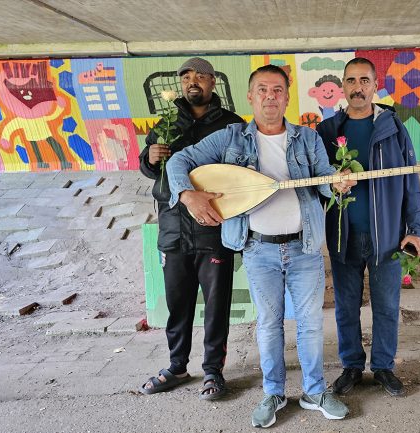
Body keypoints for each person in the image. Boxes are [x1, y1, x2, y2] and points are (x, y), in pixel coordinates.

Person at [165, 64, 354, 428]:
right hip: (258, 251)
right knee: (268, 325)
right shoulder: (230, 138)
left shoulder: (307, 138)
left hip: (305, 248)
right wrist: (188, 195)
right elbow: (179, 160)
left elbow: (323, 181)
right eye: (263, 90)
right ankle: (273, 393)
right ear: (251, 96)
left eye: (278, 90)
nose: (270, 96)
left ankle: (314, 392)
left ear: (286, 97)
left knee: (311, 325)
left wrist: (338, 183)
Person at [316, 57, 420, 397]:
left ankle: (383, 367)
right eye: (351, 80)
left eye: (364, 80)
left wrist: (414, 229)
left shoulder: (393, 128)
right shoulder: (328, 131)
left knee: (387, 306)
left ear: (375, 86)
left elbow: (410, 180)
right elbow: (316, 183)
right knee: (346, 307)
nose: (358, 87)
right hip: (343, 235)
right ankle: (351, 366)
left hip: (388, 236)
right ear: (343, 87)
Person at [138, 57, 244, 401]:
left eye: (200, 75)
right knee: (177, 303)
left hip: (214, 225)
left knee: (216, 305)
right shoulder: (167, 121)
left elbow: (241, 172)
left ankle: (213, 370)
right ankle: (177, 366)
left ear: (214, 82)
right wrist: (150, 157)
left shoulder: (231, 124)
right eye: (186, 76)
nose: (192, 81)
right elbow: (151, 170)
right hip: (173, 226)